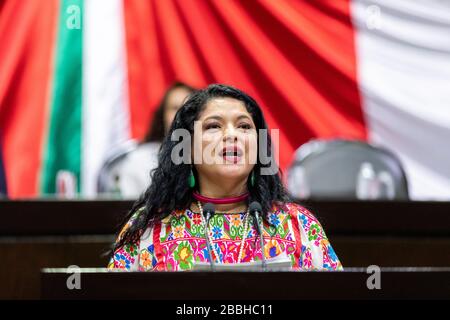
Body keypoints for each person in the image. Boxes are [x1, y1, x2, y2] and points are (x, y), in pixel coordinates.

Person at [108, 84, 342, 271]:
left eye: (243, 126)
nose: (232, 135)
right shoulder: (150, 227)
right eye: (213, 126)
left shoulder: (298, 225)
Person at [101, 82, 195, 198]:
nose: (180, 114)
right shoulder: (139, 161)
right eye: (174, 108)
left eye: (187, 109)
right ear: (162, 116)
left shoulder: (208, 159)